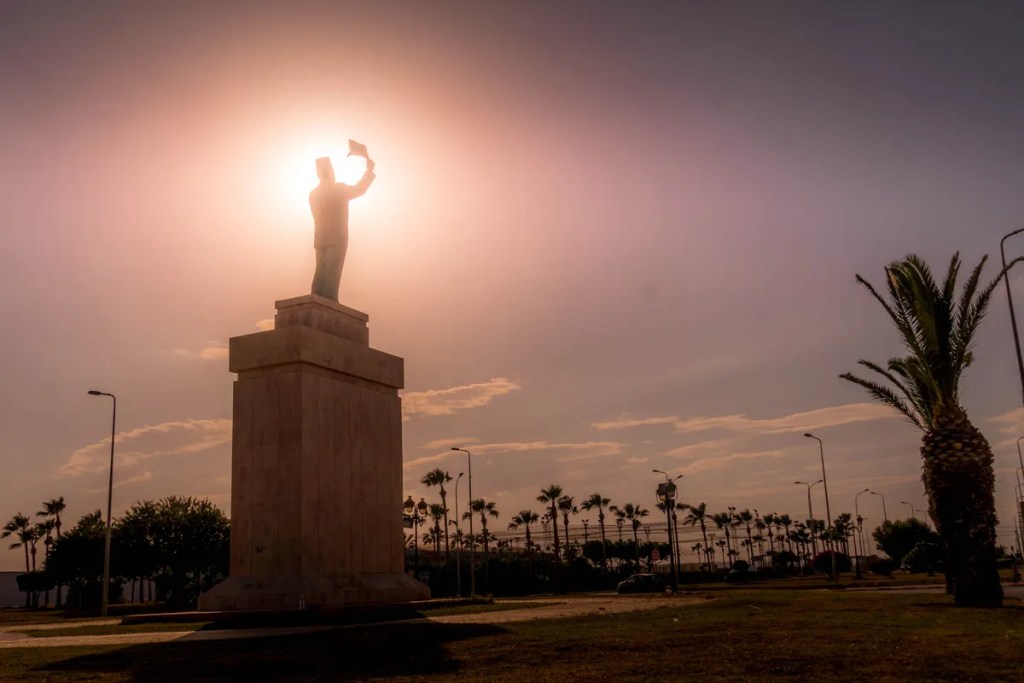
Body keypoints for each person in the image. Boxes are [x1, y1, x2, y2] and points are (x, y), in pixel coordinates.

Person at [309, 155, 376, 302]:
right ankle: (328, 301)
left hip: (320, 237)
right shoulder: (336, 189)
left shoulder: (313, 194)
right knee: (332, 271)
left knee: (320, 270)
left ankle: (316, 298)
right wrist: (369, 172)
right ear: (330, 171)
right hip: (336, 238)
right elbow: (359, 189)